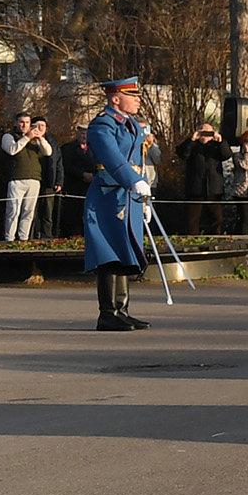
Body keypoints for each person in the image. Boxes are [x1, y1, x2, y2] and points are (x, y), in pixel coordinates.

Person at [82, 76, 157, 331]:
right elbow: (112, 157)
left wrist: (143, 199)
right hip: (108, 195)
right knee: (108, 252)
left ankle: (122, 310)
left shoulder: (132, 125)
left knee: (125, 250)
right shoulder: (102, 124)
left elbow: (137, 162)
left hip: (128, 195)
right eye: (132, 96)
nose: (138, 100)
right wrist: (133, 180)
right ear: (115, 99)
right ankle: (108, 313)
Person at [1, 112, 52, 244]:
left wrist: (40, 138)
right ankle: (9, 239)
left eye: (27, 122)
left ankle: (23, 239)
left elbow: (48, 152)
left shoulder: (35, 139)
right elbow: (12, 150)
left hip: (34, 179)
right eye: (21, 122)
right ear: (16, 123)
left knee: (28, 212)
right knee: (13, 210)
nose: (24, 125)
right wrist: (27, 137)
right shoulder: (9, 136)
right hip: (17, 178)